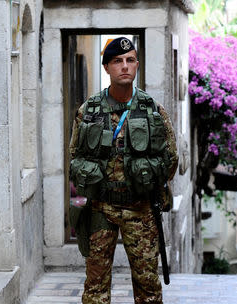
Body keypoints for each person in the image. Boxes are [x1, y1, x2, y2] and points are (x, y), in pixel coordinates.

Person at [69, 37, 178, 304]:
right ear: (107, 67)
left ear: (137, 65)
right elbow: (75, 154)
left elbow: (170, 158)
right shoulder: (89, 110)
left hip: (140, 209)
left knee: (148, 288)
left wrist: (147, 178)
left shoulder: (152, 110)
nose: (124, 66)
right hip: (100, 210)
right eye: (117, 61)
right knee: (95, 287)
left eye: (130, 60)